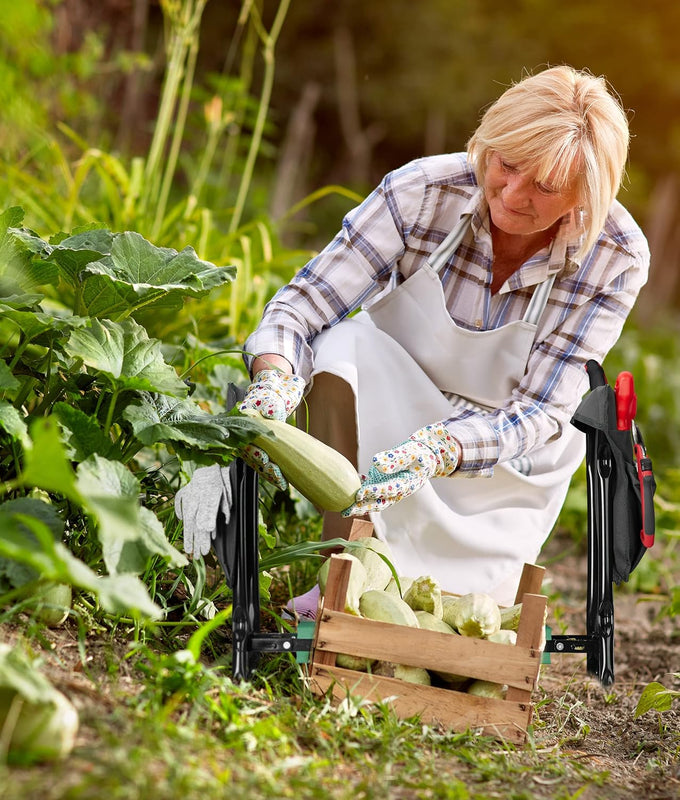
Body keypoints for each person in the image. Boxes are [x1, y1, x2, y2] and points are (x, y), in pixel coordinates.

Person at [236, 65, 650, 616]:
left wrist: (442, 448)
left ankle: (445, 588)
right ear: (489, 142)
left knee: (458, 616)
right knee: (343, 348)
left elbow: (542, 408)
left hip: (505, 451)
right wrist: (274, 377)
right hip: (395, 406)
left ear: (584, 195)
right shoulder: (425, 191)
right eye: (506, 164)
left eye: (545, 187)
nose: (511, 193)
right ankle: (345, 560)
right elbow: (304, 305)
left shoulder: (615, 256)